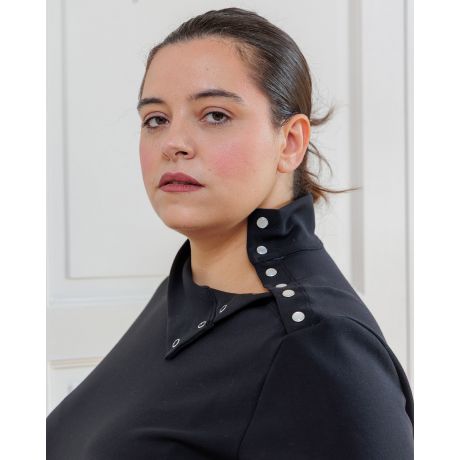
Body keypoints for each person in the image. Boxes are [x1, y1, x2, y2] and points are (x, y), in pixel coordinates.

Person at [47, 7, 414, 459]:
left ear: (290, 142)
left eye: (216, 115)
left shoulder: (318, 344)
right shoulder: (186, 290)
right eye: (156, 119)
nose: (173, 143)